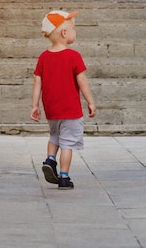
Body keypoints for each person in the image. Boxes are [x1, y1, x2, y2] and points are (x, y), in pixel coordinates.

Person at [30, 10, 96, 190]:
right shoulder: (74, 56)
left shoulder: (44, 57)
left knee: (54, 136)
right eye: (73, 28)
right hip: (71, 110)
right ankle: (64, 177)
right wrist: (90, 101)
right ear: (65, 33)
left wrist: (35, 105)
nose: (75, 32)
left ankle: (50, 160)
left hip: (52, 109)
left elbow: (38, 82)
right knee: (67, 143)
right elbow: (82, 82)